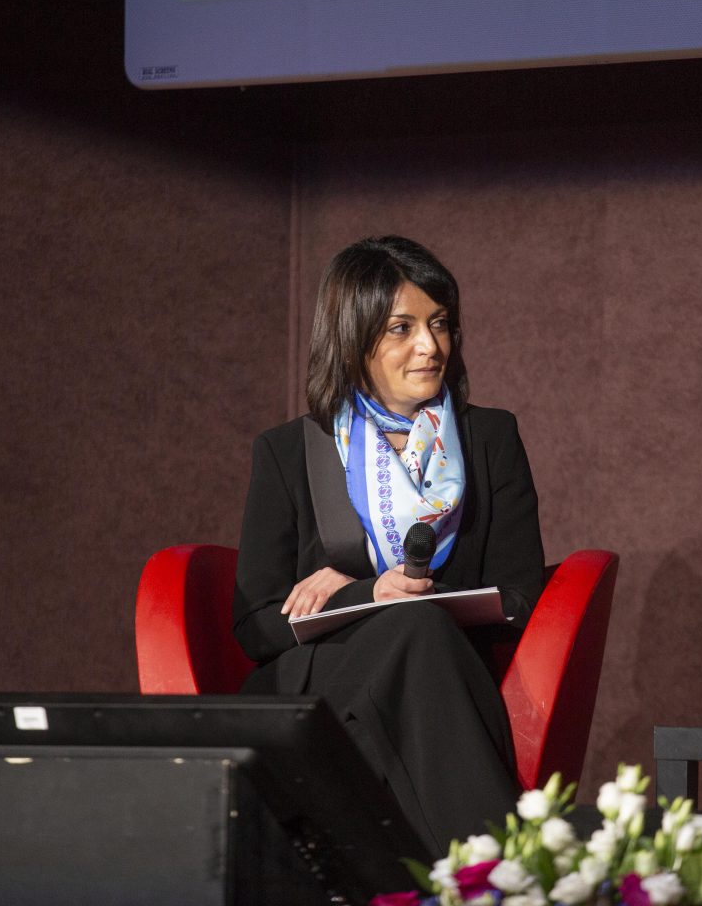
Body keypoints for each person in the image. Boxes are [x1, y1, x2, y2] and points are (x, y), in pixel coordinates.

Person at [232, 235, 546, 856]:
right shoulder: (292, 451)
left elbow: (519, 595)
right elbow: (256, 628)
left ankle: (467, 874)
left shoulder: (489, 437)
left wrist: (406, 598)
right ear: (353, 340)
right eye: (402, 328)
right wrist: (361, 595)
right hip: (321, 684)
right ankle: (506, 871)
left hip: (441, 675)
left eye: (440, 323)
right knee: (413, 634)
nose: (430, 345)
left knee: (419, 631)